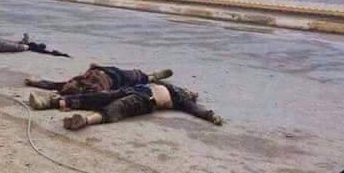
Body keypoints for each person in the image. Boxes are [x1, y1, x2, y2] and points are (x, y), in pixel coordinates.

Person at [29, 82, 223, 130]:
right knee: (96, 97)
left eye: (192, 93)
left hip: (146, 101)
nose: (191, 92)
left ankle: (84, 121)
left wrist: (211, 115)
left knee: (117, 108)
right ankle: (50, 102)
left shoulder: (182, 98)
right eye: (191, 91)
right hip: (132, 90)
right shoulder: (169, 86)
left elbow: (196, 110)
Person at [26, 64, 174, 98]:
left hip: (106, 69)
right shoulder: (92, 90)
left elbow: (51, 84)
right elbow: (102, 95)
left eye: (70, 82)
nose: (69, 81)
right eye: (71, 83)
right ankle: (153, 78)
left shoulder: (73, 83)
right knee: (137, 76)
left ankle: (151, 77)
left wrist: (34, 82)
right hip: (118, 78)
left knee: (136, 75)